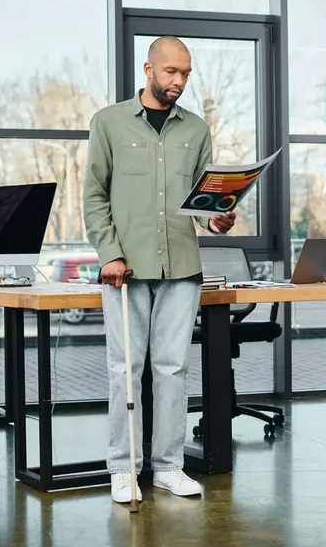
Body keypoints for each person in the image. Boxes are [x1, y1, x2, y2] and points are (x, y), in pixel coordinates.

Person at [83, 36, 236, 503]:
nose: (179, 81)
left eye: (186, 73)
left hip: (182, 270)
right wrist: (109, 253)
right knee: (124, 371)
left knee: (172, 370)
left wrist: (218, 218)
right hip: (125, 272)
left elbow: (202, 201)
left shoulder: (196, 129)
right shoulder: (108, 122)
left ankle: (168, 466)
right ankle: (123, 468)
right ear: (148, 69)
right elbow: (94, 196)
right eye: (171, 72)